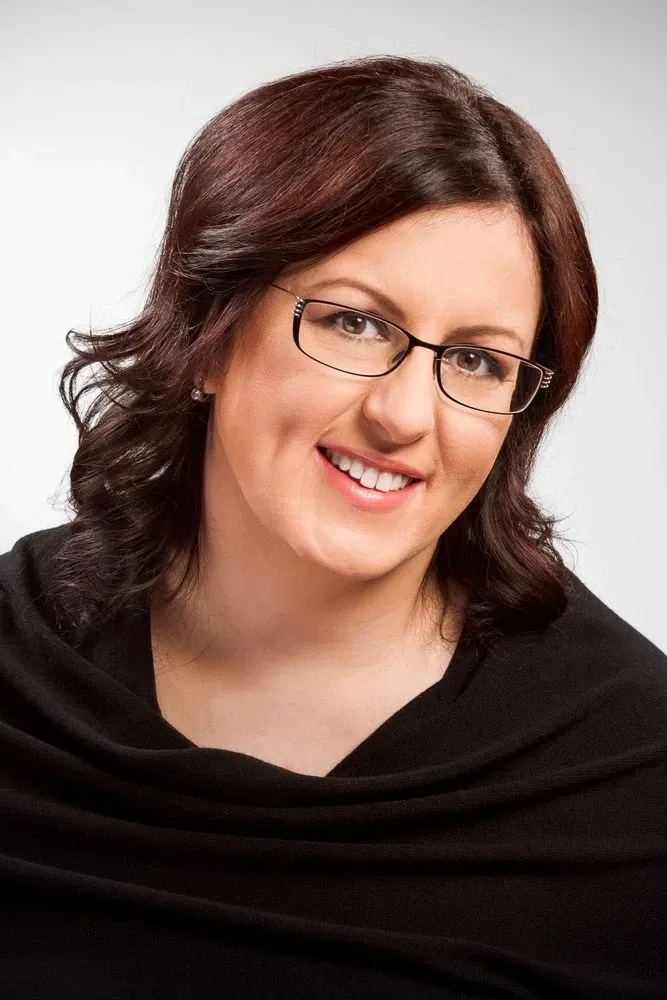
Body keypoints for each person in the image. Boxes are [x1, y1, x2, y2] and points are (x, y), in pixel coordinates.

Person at [0, 54, 665, 1000]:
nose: (403, 416)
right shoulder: (15, 661)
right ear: (205, 334)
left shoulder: (633, 771)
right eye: (354, 324)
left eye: (476, 360)